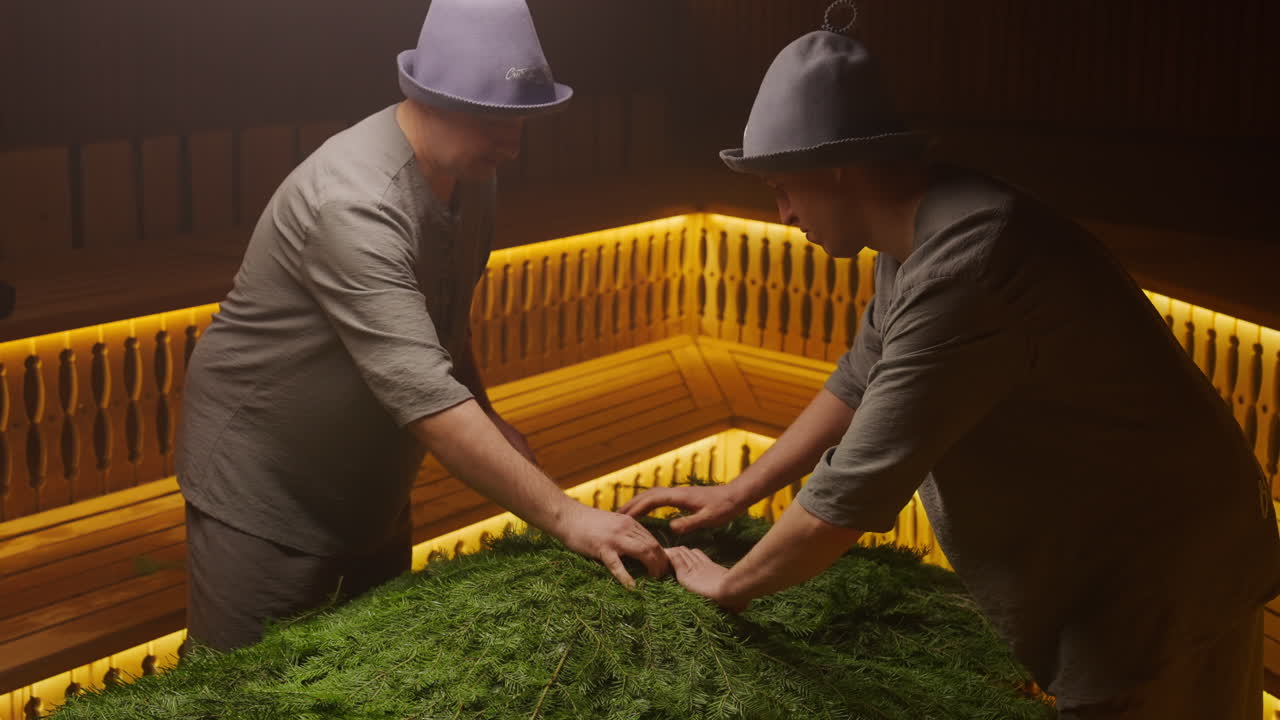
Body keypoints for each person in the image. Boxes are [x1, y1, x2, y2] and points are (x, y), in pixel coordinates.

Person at [622, 28, 1280, 719]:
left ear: (842, 169)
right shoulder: (909, 236)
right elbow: (857, 379)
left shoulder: (969, 264)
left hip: (1166, 566)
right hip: (1120, 552)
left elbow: (850, 493)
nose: (782, 215)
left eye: (786, 188)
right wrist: (735, 492)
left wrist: (731, 586)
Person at [177, 0, 666, 653]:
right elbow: (427, 399)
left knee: (371, 671)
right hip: (265, 487)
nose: (514, 145)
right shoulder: (353, 201)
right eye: (496, 120)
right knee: (244, 690)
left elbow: (445, 318)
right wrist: (569, 518)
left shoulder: (470, 171)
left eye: (523, 121)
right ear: (430, 97)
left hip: (370, 485)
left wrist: (489, 413)